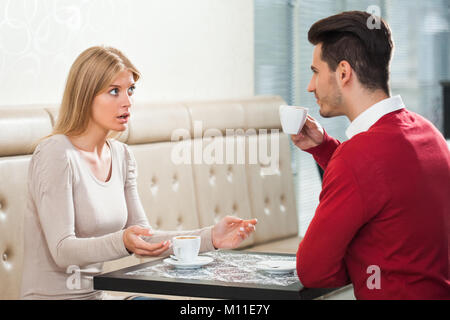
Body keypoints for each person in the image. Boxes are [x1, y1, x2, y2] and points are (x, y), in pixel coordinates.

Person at [20, 46, 257, 300]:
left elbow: (145, 239)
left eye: (130, 90)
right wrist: (123, 241)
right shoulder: (55, 153)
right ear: (85, 95)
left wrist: (211, 237)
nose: (127, 101)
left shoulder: (122, 156)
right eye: (114, 91)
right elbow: (62, 250)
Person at [293, 11, 449, 299]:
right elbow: (384, 183)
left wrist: (360, 263)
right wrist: (325, 148)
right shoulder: (428, 134)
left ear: (343, 73)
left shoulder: (357, 157)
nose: (310, 86)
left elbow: (313, 271)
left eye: (315, 72)